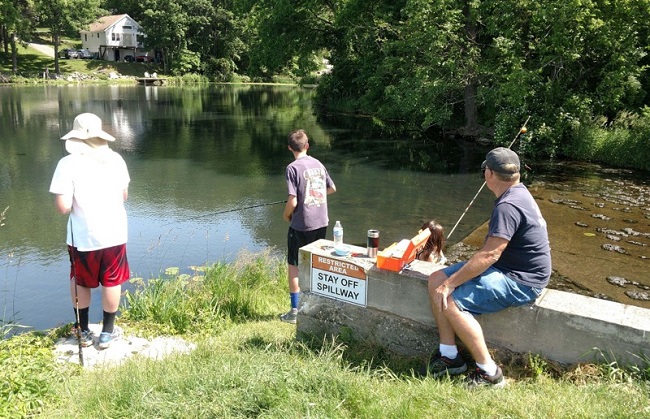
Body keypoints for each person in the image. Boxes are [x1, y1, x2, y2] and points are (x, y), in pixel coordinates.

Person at [427, 147, 551, 387]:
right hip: (506, 267)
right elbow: (493, 254)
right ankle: (450, 357)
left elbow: (491, 254)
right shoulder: (518, 192)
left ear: (489, 174)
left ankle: (490, 373)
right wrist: (444, 282)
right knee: (435, 279)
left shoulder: (508, 206)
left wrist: (450, 285)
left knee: (452, 302)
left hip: (522, 280)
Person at [49, 113, 131, 349]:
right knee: (112, 281)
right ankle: (107, 332)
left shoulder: (66, 164)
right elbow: (124, 196)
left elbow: (64, 207)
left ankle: (83, 331)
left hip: (83, 237)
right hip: (114, 234)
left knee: (81, 282)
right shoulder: (116, 159)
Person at [281, 129, 336, 324]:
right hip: (321, 222)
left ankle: (295, 312)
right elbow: (331, 188)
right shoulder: (318, 164)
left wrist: (286, 215)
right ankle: (317, 307)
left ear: (290, 148)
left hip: (301, 225)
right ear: (307, 146)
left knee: (294, 265)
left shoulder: (292, 168)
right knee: (316, 264)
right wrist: (314, 196)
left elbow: (293, 201)